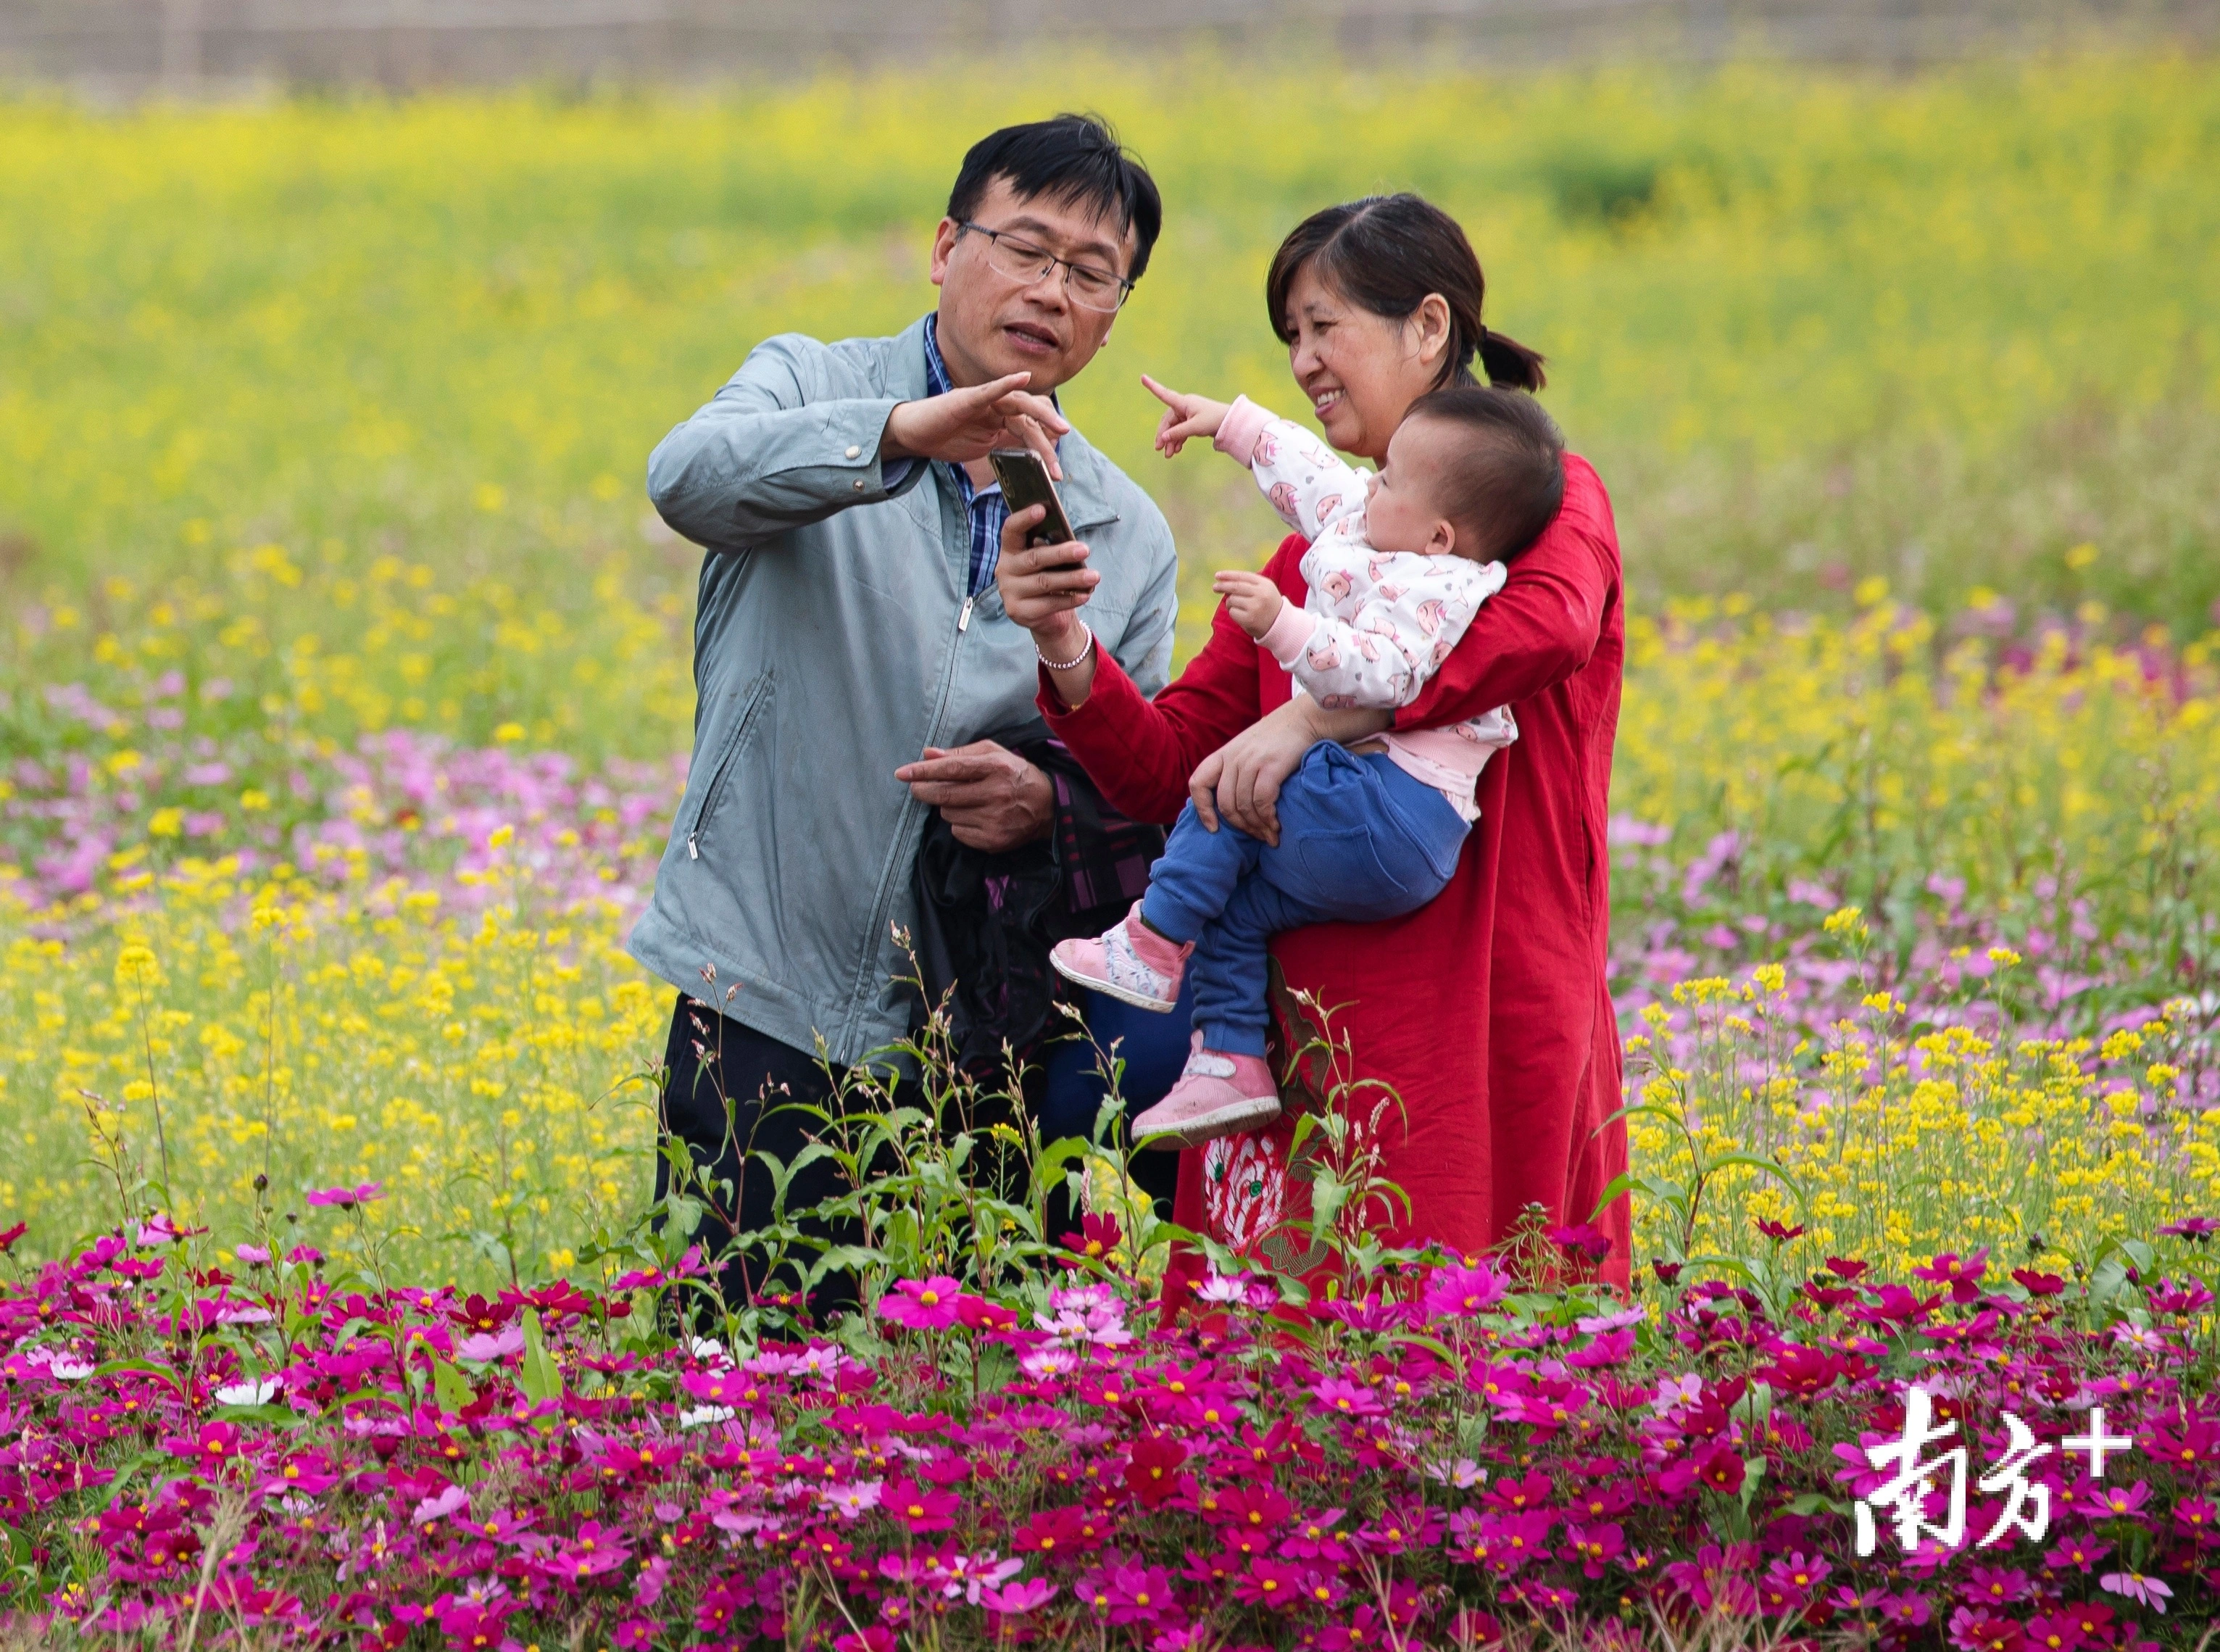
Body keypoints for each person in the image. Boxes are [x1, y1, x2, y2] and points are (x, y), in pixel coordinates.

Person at [997, 193, 1634, 1294]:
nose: (1300, 362)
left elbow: (1545, 628)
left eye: (1321, 325)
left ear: (1426, 328)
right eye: (1287, 335)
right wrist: (1063, 644)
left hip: (1475, 1015)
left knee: (1472, 1376)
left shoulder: (1543, 501)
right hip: (1299, 1040)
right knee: (1285, 1407)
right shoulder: (1309, 565)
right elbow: (1171, 763)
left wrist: (1316, 710)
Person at [630, 115, 1186, 1307]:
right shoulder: (810, 383)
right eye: (1022, 248)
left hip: (992, 1026)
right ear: (944, 245)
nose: (1048, 291)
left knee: (972, 1418)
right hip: (765, 984)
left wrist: (1044, 798)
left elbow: (1143, 787)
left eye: (1091, 275)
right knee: (746, 1369)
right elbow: (687, 477)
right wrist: (896, 436)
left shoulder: (1126, 529)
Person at [1050, 384, 1568, 1147]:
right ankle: (1227, 1060)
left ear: (1440, 533)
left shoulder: (1443, 587)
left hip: (1393, 806)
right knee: (1240, 901)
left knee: (1235, 789)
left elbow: (1383, 673)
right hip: (1390, 825)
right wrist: (1232, 425)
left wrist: (1285, 627)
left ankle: (1153, 941)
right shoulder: (1387, 536)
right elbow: (1319, 477)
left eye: (1388, 478)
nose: (1369, 486)